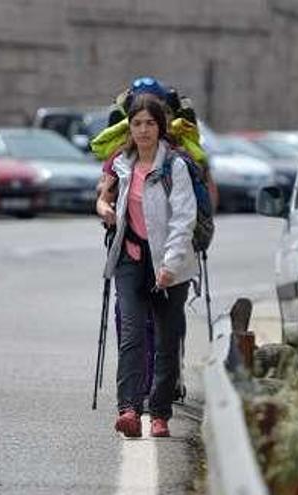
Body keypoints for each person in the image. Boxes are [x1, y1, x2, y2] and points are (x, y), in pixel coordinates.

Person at [96, 93, 199, 438]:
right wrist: (104, 209)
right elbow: (104, 196)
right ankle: (128, 409)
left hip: (170, 264)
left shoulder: (175, 166)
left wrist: (169, 265)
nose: (143, 130)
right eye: (137, 123)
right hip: (129, 258)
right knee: (131, 335)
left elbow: (184, 219)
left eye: (150, 124)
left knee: (168, 340)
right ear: (130, 127)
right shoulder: (122, 163)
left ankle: (159, 413)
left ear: (161, 127)